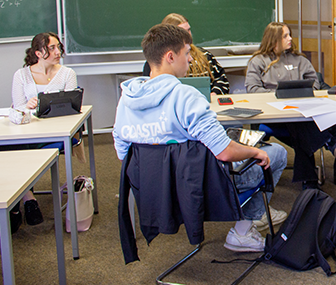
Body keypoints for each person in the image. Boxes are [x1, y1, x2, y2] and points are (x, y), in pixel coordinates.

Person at [113, 24, 288, 252]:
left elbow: (124, 155)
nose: (190, 59)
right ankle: (242, 232)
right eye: (187, 53)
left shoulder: (127, 99)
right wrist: (256, 152)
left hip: (153, 190)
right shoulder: (186, 96)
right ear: (170, 57)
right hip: (199, 187)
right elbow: (224, 152)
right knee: (275, 153)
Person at [245, 22, 336, 189]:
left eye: (289, 34)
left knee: (300, 128)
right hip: (273, 114)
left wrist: (302, 94)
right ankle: (329, 141)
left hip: (300, 111)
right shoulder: (258, 61)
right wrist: (279, 96)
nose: (290, 38)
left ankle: (310, 182)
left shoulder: (299, 60)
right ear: (274, 39)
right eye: (285, 36)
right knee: (301, 126)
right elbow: (253, 89)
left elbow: (315, 83)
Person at [8, 32, 78, 231]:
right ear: (38, 53)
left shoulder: (67, 74)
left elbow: (72, 109)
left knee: (16, 153)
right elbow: (18, 109)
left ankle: (15, 207)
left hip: (56, 133)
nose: (58, 52)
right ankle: (28, 199)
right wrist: (27, 107)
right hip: (27, 132)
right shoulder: (21, 75)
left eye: (58, 47)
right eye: (52, 48)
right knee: (5, 150)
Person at [142, 13, 230, 96]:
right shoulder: (156, 63)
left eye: (189, 30)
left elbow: (222, 80)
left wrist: (214, 94)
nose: (188, 35)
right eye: (183, 31)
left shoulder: (205, 55)